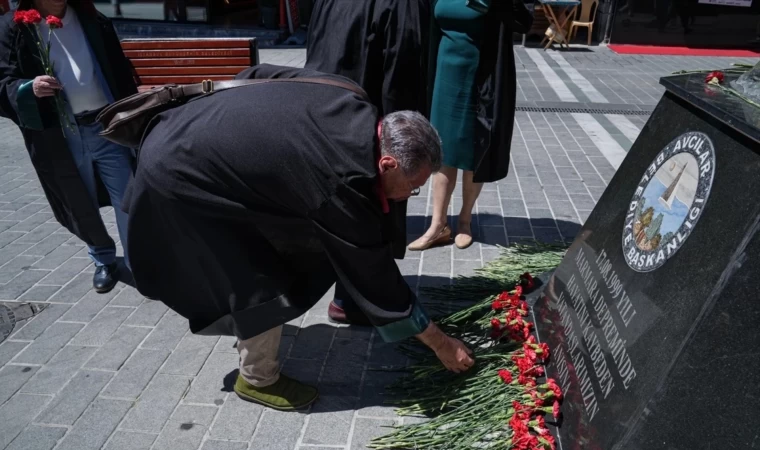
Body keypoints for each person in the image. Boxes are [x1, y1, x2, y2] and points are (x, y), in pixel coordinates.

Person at [124, 64, 476, 412]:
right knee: (261, 282)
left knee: (289, 246)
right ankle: (257, 378)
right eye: (412, 189)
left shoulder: (349, 94)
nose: (404, 198)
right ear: (386, 163)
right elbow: (374, 274)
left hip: (184, 130)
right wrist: (441, 344)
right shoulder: (341, 178)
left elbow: (258, 75)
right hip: (179, 178)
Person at [305, 0, 430, 326]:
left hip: (320, 114)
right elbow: (403, 77)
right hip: (366, 126)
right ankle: (358, 297)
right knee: (370, 206)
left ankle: (344, 289)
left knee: (336, 205)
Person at [0, 0, 135, 293]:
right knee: (79, 201)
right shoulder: (15, 27)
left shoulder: (91, 19)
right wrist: (28, 88)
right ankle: (103, 259)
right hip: (60, 135)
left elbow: (120, 71)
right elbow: (4, 82)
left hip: (108, 125)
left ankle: (139, 262)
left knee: (129, 197)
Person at [408, 0, 533, 251]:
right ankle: (438, 225)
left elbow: (523, 20)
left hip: (481, 74)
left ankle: (464, 220)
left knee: (474, 147)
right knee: (443, 148)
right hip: (444, 72)